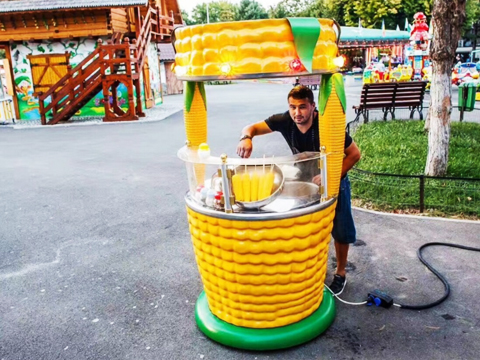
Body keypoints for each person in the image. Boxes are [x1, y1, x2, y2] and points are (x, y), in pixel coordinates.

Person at [236, 85, 361, 295]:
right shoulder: (284, 120)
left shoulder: (327, 125)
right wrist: (246, 138)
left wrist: (331, 175)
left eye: (302, 107)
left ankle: (340, 273)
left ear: (313, 107)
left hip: (334, 180)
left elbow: (354, 154)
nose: (297, 113)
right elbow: (252, 128)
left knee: (340, 227)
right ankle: (308, 270)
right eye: (293, 107)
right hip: (304, 177)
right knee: (305, 225)